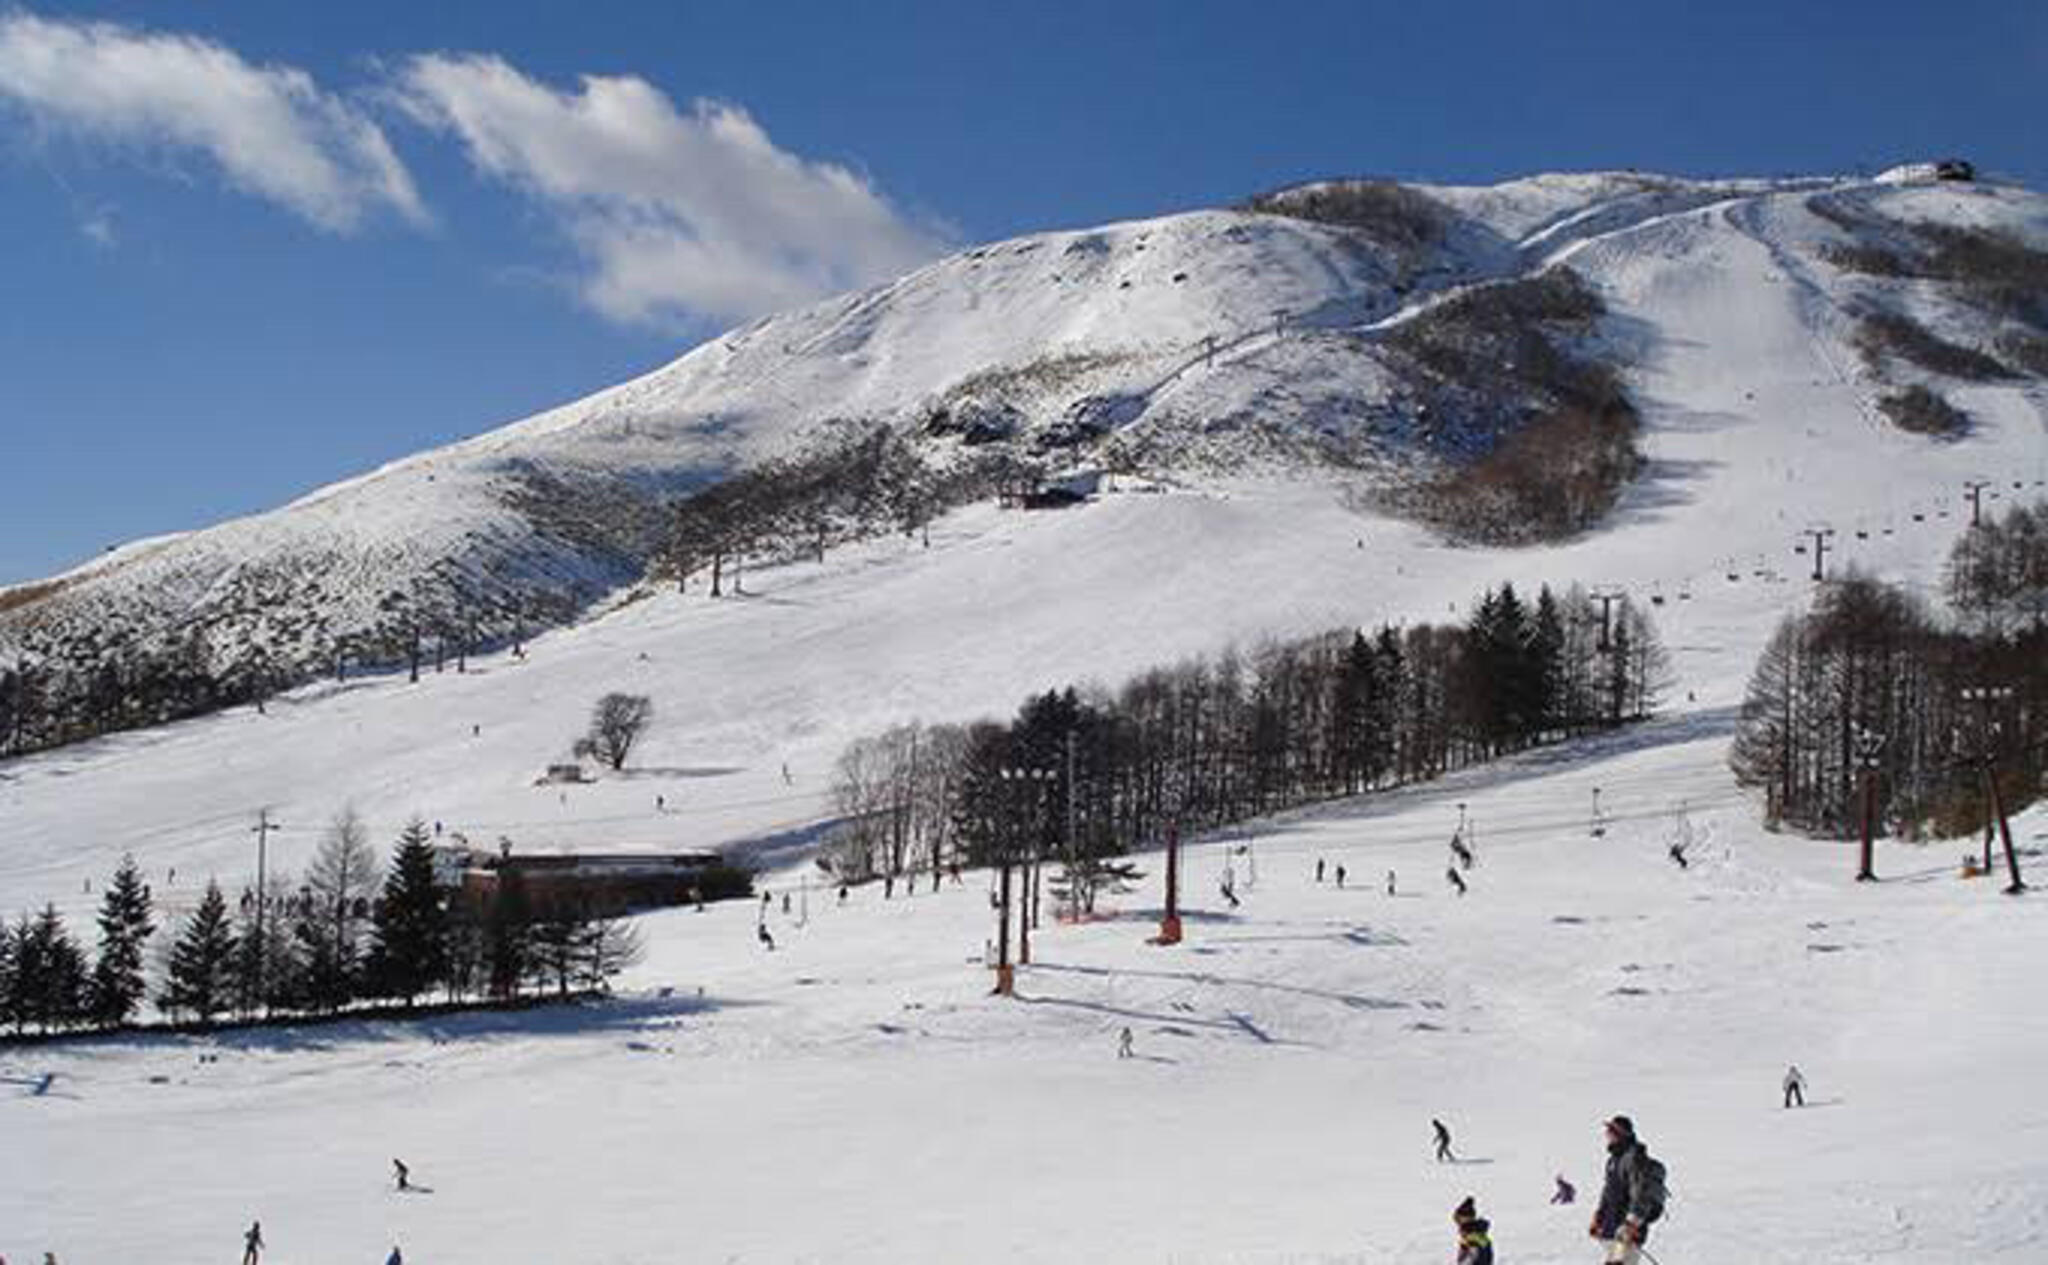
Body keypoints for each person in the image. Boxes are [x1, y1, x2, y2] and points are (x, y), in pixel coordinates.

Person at [1590, 1116, 1666, 1264]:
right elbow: (1608, 1192)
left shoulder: (1634, 1159)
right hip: (1614, 1229)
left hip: (1628, 1230)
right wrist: (1598, 1217)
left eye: (1611, 1130)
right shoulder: (1614, 1160)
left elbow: (1640, 1193)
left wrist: (1632, 1223)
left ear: (1621, 1133)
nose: (1607, 1134)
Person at [1453, 1196, 1494, 1265]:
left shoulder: (1473, 1234)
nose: (1457, 1221)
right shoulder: (1468, 1232)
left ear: (1468, 1218)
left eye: (1459, 1218)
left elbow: (1474, 1255)